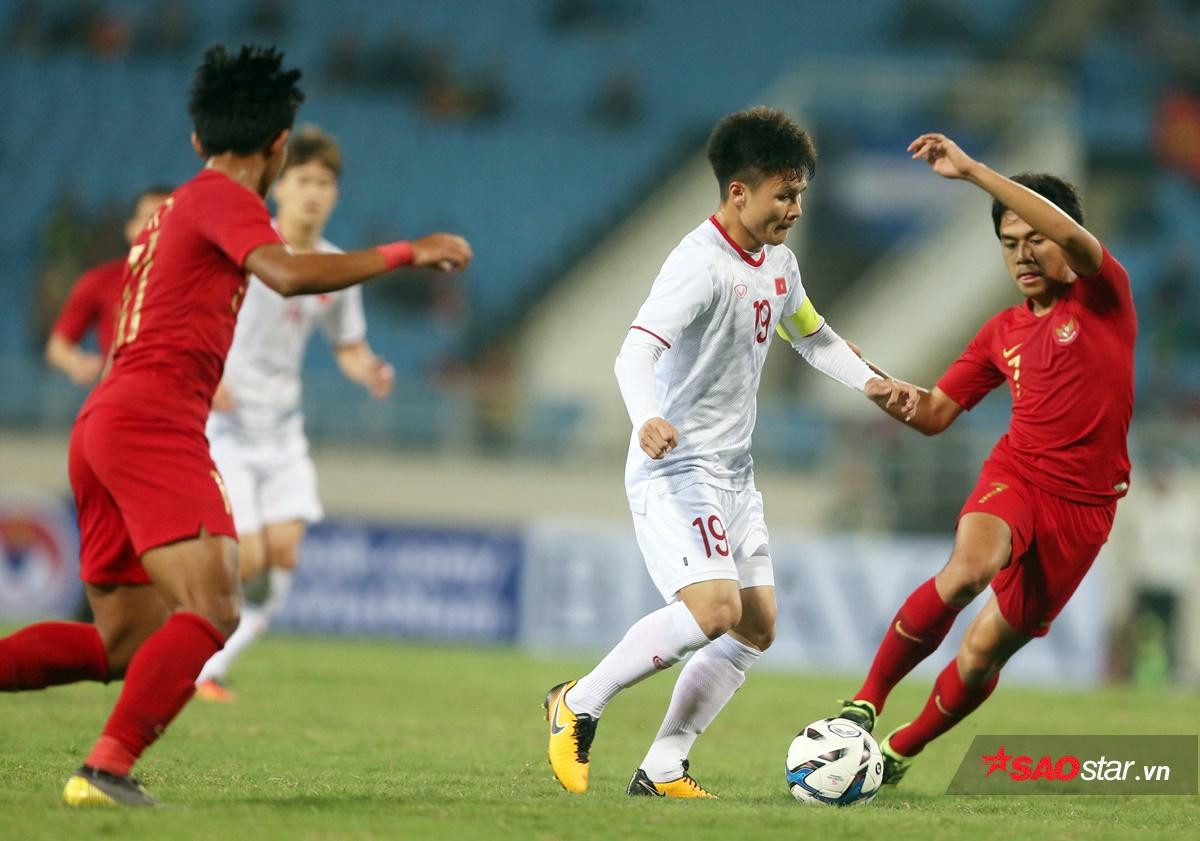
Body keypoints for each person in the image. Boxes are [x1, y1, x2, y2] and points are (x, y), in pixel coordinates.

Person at [0, 44, 472, 807]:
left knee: (121, 643)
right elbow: (285, 273)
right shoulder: (225, 198)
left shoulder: (176, 209)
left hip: (107, 419)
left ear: (196, 137)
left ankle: (107, 758)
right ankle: (107, 766)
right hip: (154, 421)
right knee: (215, 608)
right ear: (280, 145)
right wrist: (404, 251)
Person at [543, 106, 918, 798]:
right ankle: (579, 701)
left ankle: (662, 765)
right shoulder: (697, 265)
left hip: (734, 472)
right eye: (785, 194)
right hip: (676, 465)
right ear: (738, 192)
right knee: (713, 610)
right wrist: (647, 416)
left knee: (755, 626)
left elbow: (810, 335)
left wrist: (872, 383)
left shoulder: (779, 262)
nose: (796, 208)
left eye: (801, 193)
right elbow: (634, 351)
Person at [836, 133, 1136, 786]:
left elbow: (1075, 243)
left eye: (1035, 236)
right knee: (968, 572)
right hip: (1017, 476)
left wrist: (973, 172)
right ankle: (864, 703)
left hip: (1084, 513)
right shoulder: (1001, 332)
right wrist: (875, 384)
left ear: (1067, 237)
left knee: (981, 654)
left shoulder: (1103, 295)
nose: (1023, 253)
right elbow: (936, 412)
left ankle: (900, 751)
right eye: (1008, 243)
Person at [194, 125, 394, 701]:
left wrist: (369, 369)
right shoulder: (247, 249)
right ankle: (181, 625)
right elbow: (193, 316)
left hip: (283, 430)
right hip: (228, 426)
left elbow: (348, 347)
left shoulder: (336, 268)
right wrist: (207, 379)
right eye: (302, 179)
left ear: (336, 194)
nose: (313, 192)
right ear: (278, 188)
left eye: (325, 183)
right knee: (250, 557)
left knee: (283, 555)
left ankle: (210, 667)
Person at [44, 186, 173, 385]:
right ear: (130, 228)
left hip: (183, 397)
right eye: (149, 219)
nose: (158, 228)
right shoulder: (101, 281)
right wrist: (77, 362)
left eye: (168, 220)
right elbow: (58, 345)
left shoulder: (202, 283)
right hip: (121, 393)